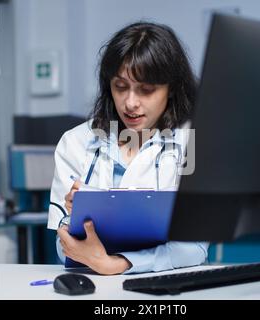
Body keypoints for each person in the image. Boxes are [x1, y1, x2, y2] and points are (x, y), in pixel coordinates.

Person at [47, 21, 209, 275]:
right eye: (120, 87)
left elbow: (194, 247)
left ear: (172, 89)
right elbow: (62, 245)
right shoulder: (76, 142)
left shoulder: (192, 143)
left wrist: (117, 264)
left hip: (169, 287)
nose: (130, 103)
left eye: (146, 89)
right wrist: (73, 218)